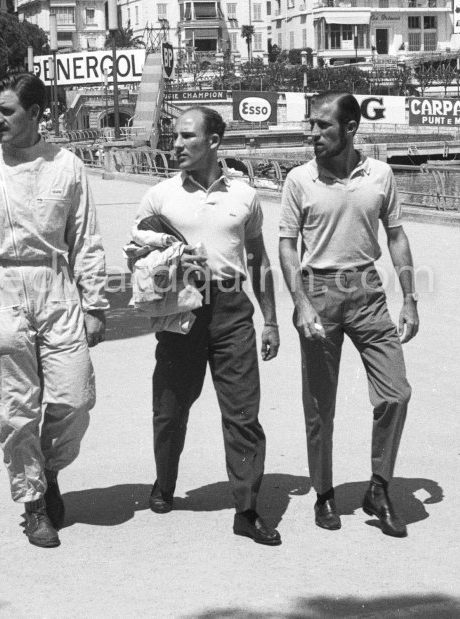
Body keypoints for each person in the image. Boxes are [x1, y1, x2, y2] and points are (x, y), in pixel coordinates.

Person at [0, 73, 108, 548]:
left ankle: (49, 470)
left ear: (36, 114)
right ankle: (34, 502)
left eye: (7, 111)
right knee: (17, 407)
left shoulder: (67, 166)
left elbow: (87, 239)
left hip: (56, 287)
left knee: (75, 398)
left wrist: (95, 303)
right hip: (0, 288)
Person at [134, 106, 282, 546]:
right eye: (175, 137)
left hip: (232, 311)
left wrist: (270, 319)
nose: (175, 144)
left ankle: (247, 509)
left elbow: (257, 258)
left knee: (242, 413)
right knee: (169, 409)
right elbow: (134, 255)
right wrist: (171, 259)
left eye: (185, 137)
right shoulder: (159, 196)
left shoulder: (243, 195)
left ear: (214, 141)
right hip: (181, 311)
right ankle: (164, 482)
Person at [279, 92, 419, 537]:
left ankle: (378, 488)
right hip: (319, 291)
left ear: (351, 127)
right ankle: (323, 494)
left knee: (395, 392)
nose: (312, 134)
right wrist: (300, 303)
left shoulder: (380, 174)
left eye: (322, 126)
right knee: (320, 406)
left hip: (368, 291)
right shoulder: (299, 179)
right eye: (311, 125)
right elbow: (286, 244)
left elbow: (395, 236)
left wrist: (410, 298)